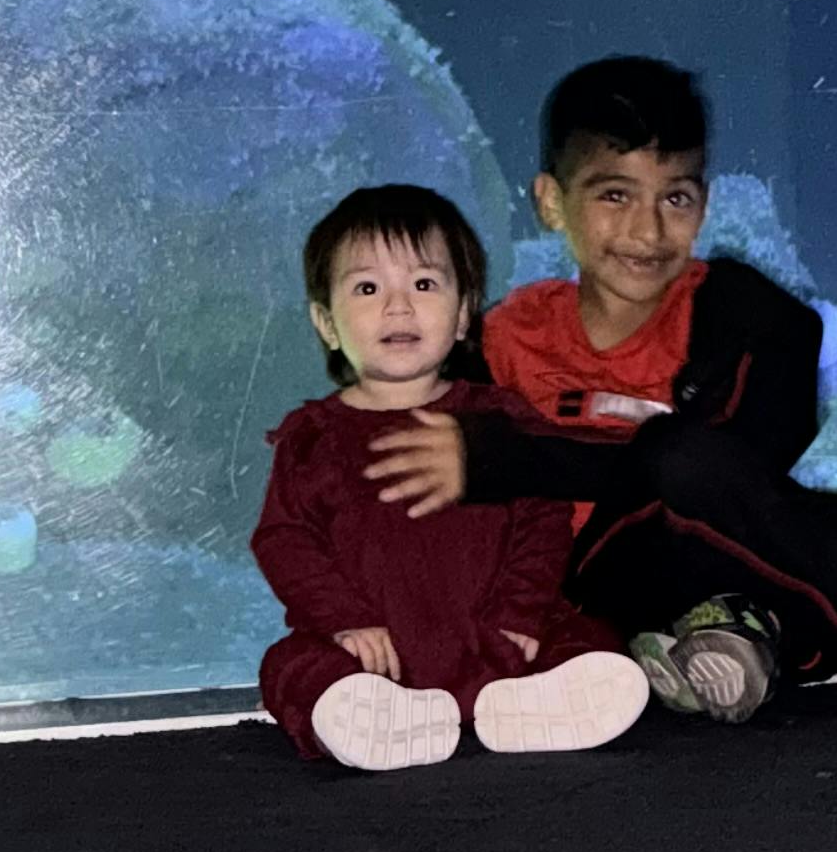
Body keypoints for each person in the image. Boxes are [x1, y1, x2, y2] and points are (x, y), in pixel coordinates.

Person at [359, 55, 837, 723]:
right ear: (552, 202)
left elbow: (735, 473)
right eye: (614, 196)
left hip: (751, 550)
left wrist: (505, 456)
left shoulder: (754, 316)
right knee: (680, 462)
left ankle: (759, 633)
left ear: (704, 205)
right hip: (600, 585)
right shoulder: (496, 341)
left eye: (675, 199)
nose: (647, 231)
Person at [252, 182, 648, 774]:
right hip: (375, 658)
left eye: (424, 284)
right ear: (326, 323)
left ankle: (532, 707)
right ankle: (366, 719)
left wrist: (519, 614)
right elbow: (285, 541)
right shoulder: (312, 438)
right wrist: (344, 621)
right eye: (367, 288)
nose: (398, 307)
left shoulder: (500, 421)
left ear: (463, 313)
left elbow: (544, 520)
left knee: (589, 639)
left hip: (501, 643)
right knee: (290, 668)